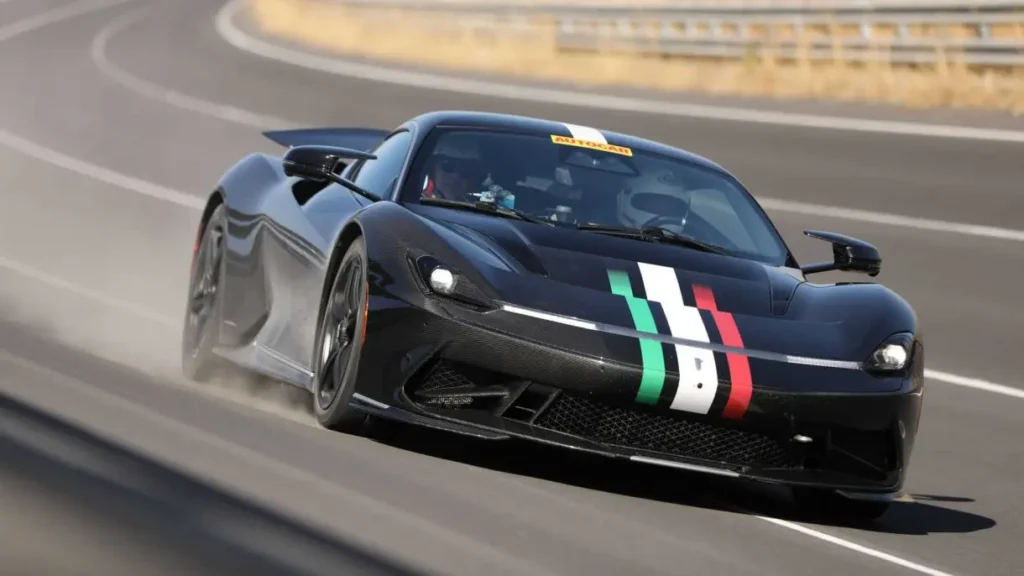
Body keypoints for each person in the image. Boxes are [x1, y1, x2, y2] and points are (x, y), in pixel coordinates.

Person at [420, 132, 488, 202]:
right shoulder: (419, 202)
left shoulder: (478, 208)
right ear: (433, 169)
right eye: (448, 166)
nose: (456, 175)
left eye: (465, 170)